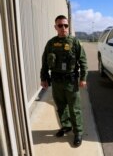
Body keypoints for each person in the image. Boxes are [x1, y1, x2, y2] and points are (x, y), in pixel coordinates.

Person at [40, 15, 88, 147]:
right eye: (60, 25)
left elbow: (83, 61)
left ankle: (78, 132)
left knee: (74, 108)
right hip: (56, 82)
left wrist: (83, 78)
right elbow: (44, 62)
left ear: (68, 27)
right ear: (55, 27)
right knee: (60, 106)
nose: (63, 28)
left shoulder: (75, 42)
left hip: (71, 82)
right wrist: (43, 78)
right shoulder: (51, 43)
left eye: (65, 25)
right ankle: (66, 126)